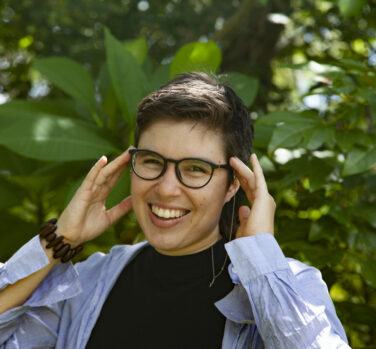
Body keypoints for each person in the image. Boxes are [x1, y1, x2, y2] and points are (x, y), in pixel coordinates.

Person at [0, 72, 350, 348]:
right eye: (152, 161)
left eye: (196, 168)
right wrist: (59, 240)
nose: (166, 188)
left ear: (234, 185)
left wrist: (261, 260)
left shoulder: (287, 286)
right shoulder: (91, 283)